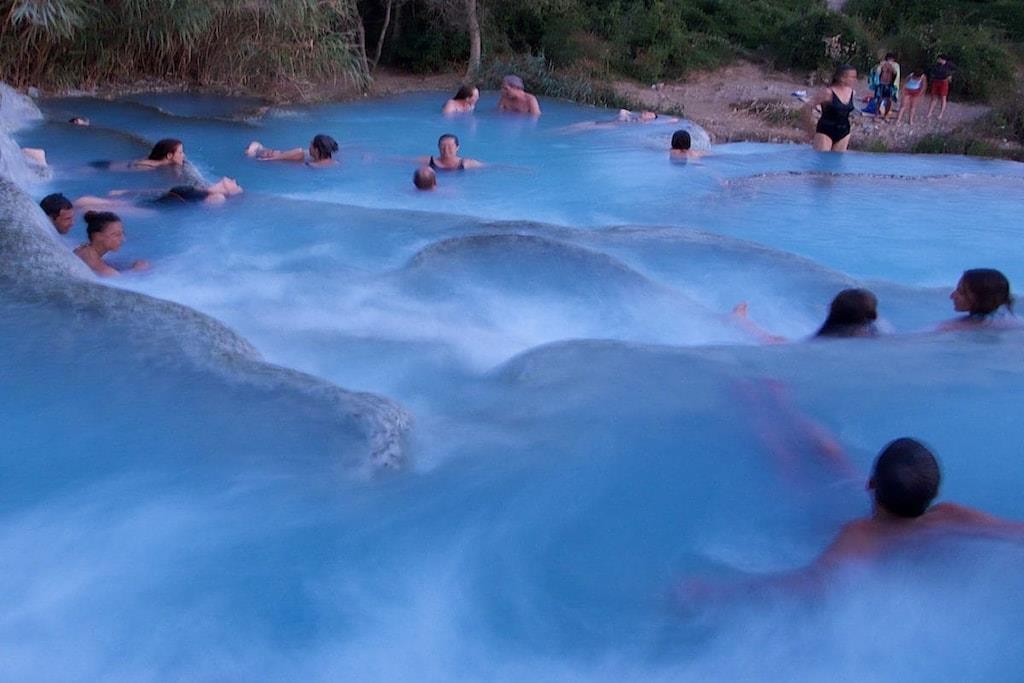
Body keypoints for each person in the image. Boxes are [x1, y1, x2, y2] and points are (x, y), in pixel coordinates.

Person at [678, 438, 1024, 601]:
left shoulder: (859, 537)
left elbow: (805, 585)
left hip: (854, 522)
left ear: (871, 486)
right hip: (894, 529)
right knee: (831, 465)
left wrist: (713, 591)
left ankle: (776, 423)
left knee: (800, 474)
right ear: (934, 494)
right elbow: (1015, 532)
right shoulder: (950, 517)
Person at [732, 288, 880, 343]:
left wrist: (742, 322)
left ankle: (739, 320)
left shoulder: (825, 339)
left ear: (831, 309)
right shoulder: (873, 335)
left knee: (776, 341)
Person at [74, 177, 244, 211]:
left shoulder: (218, 197)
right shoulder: (202, 187)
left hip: (161, 209)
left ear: (230, 191)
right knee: (112, 204)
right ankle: (72, 208)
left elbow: (198, 213)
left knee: (112, 207)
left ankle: (73, 209)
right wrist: (125, 191)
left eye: (236, 184)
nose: (234, 180)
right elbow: (161, 191)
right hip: (160, 200)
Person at [73, 211, 149, 277]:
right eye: (116, 235)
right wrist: (137, 271)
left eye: (122, 234)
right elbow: (119, 279)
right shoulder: (96, 264)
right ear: (97, 236)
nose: (123, 239)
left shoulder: (84, 249)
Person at [803, 65, 858, 152]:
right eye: (852, 77)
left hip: (844, 132)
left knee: (837, 160)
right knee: (822, 159)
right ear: (842, 78)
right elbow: (806, 107)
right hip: (825, 131)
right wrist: (809, 129)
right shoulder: (827, 93)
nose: (855, 80)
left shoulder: (852, 93)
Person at [938, 268, 1015, 330]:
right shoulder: (1015, 323)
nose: (952, 296)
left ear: (982, 298)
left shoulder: (950, 328)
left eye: (961, 292)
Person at [245, 134, 339, 166]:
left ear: (317, 150)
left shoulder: (311, 165)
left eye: (311, 145)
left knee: (298, 153)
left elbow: (299, 153)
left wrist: (269, 160)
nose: (309, 147)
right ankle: (263, 152)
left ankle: (262, 153)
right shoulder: (335, 163)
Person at [871, 53, 900, 120]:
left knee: (889, 101)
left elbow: (896, 74)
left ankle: (886, 115)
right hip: (881, 84)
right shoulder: (882, 64)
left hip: (890, 84)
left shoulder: (895, 66)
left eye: (891, 59)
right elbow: (877, 72)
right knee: (879, 100)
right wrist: (881, 66)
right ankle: (876, 115)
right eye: (889, 59)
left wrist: (891, 67)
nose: (890, 60)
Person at [927, 54, 956, 120]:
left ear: (942, 59)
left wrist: (950, 75)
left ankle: (941, 114)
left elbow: (955, 69)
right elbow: (932, 71)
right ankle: (930, 112)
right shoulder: (936, 65)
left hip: (944, 82)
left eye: (939, 59)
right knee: (934, 97)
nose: (937, 60)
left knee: (943, 97)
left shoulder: (949, 65)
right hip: (936, 81)